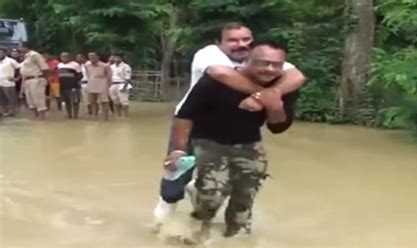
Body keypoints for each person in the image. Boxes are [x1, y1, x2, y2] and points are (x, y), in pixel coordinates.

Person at [152, 22, 305, 232]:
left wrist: (274, 102)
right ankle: (166, 214)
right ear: (219, 43)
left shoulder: (269, 63)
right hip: (195, 124)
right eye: (232, 40)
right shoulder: (210, 58)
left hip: (242, 135)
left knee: (244, 190)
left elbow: (296, 78)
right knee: (177, 173)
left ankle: (235, 232)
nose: (240, 44)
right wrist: (264, 94)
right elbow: (219, 76)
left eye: (245, 40)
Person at [18, 42, 50, 120]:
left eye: (20, 47)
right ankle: (34, 115)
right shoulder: (25, 56)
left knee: (38, 98)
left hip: (36, 79)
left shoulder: (34, 55)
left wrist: (45, 79)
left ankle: (42, 116)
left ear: (26, 47)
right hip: (27, 80)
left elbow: (45, 68)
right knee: (30, 99)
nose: (19, 49)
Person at [85, 52, 111, 120]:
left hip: (102, 85)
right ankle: (94, 117)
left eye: (93, 56)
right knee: (92, 102)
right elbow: (88, 74)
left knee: (104, 101)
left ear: (98, 57)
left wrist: (108, 85)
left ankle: (106, 118)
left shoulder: (105, 66)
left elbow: (109, 76)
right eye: (90, 57)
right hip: (91, 84)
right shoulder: (87, 65)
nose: (92, 58)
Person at [57, 52, 82, 119]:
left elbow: (80, 75)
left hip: (73, 86)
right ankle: (69, 115)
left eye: (66, 56)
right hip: (63, 86)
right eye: (62, 56)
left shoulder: (75, 65)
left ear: (69, 57)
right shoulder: (59, 65)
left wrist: (74, 81)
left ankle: (76, 115)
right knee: (66, 101)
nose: (64, 58)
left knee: (75, 101)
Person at [109, 53, 132, 117]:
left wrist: (125, 87)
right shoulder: (111, 66)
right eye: (115, 57)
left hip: (122, 83)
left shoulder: (126, 66)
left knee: (124, 100)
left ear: (121, 58)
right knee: (115, 100)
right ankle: (118, 114)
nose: (116, 59)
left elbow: (128, 78)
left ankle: (125, 115)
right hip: (112, 84)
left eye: (118, 57)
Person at [0, 48, 21, 116]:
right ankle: (3, 111)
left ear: (4, 53)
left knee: (11, 98)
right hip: (0, 82)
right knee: (1, 98)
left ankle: (12, 112)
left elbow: (19, 68)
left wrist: (16, 78)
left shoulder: (11, 61)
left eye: (1, 53)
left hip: (8, 83)